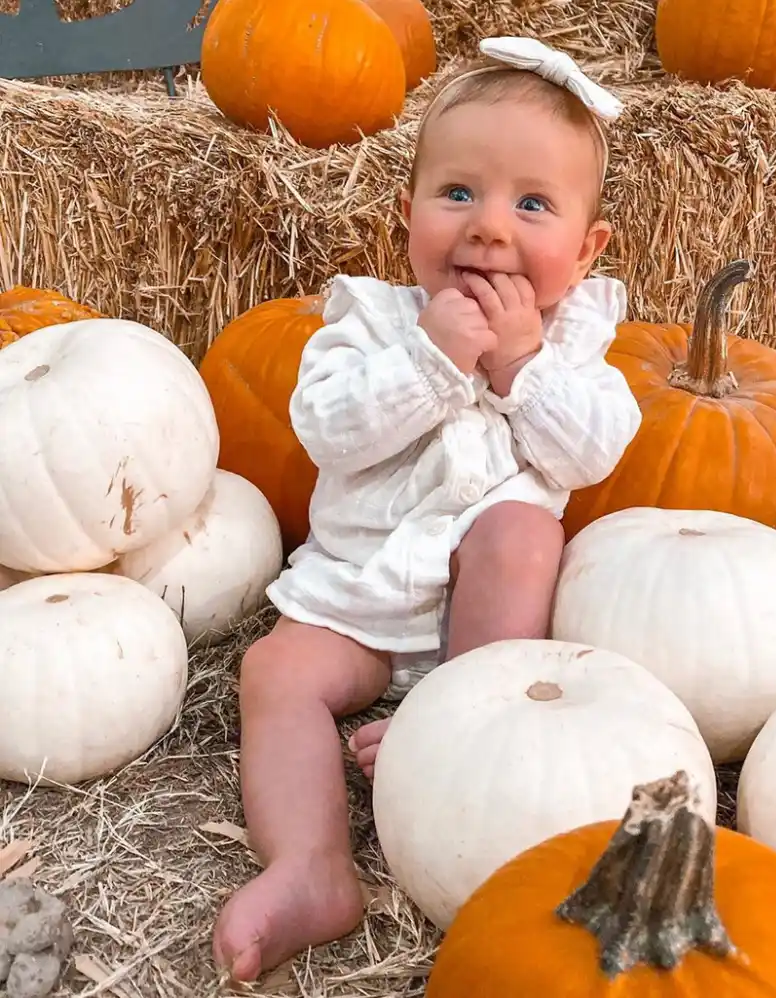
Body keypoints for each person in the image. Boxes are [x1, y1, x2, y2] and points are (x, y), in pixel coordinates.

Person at [212, 35, 642, 982]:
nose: (488, 229)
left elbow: (594, 450)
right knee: (273, 673)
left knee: (523, 527)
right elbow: (327, 431)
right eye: (458, 195)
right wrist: (430, 361)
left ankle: (455, 724)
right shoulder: (365, 321)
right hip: (357, 605)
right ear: (407, 213)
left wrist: (519, 366)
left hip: (483, 627)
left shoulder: (575, 347)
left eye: (532, 204)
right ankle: (310, 867)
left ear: (587, 246)